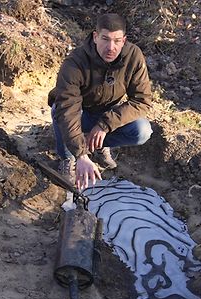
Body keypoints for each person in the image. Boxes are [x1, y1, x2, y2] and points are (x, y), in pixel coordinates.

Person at [48, 13, 153, 189]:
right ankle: (68, 157)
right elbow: (68, 109)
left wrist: (105, 125)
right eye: (105, 39)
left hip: (108, 111)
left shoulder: (133, 56)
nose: (111, 47)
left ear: (124, 40)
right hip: (80, 112)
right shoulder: (75, 62)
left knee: (142, 131)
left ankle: (97, 146)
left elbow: (142, 101)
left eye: (117, 40)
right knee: (58, 110)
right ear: (95, 37)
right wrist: (80, 155)